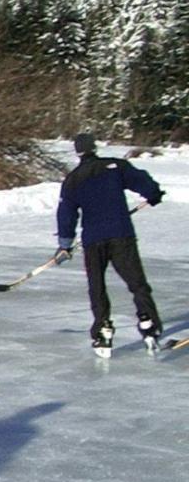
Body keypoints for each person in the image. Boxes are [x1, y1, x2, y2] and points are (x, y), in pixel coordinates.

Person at [56, 132, 166, 355]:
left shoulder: (73, 179)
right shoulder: (116, 166)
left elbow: (66, 214)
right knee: (137, 283)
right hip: (121, 234)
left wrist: (65, 244)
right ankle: (148, 321)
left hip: (93, 240)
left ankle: (103, 328)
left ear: (78, 152)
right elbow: (142, 180)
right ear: (95, 148)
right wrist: (153, 194)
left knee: (97, 286)